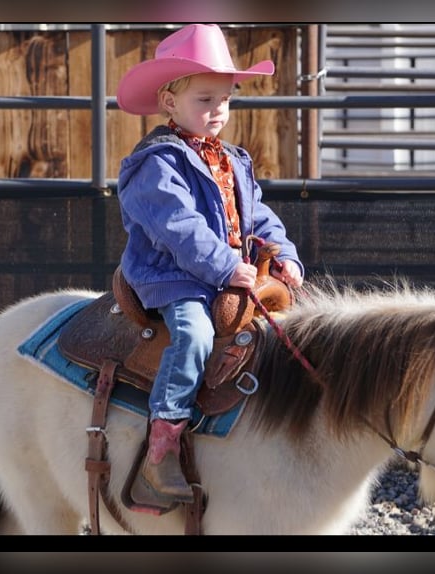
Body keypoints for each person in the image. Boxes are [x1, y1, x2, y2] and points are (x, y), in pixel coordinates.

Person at [116, 23, 304, 507]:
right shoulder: (155, 163)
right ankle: (161, 449)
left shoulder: (234, 160)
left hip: (223, 272)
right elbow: (178, 227)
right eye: (204, 99)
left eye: (225, 98)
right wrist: (225, 266)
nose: (217, 109)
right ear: (169, 102)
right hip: (173, 276)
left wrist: (283, 255)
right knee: (196, 335)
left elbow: (259, 216)